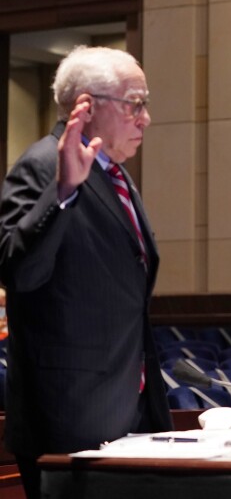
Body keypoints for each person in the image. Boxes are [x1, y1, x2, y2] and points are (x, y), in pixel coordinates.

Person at [0, 46, 172, 498]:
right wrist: (61, 194)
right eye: (135, 103)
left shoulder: (114, 173)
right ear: (87, 106)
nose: (145, 118)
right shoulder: (43, 165)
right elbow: (18, 272)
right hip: (69, 419)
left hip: (125, 407)